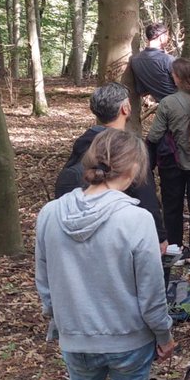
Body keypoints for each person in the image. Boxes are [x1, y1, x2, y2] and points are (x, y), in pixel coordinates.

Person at [36, 128, 175, 380]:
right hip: (128, 340)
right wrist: (163, 333)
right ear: (133, 170)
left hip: (76, 337)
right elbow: (151, 291)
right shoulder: (137, 220)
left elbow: (45, 283)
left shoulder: (50, 214)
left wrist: (57, 320)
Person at [55, 82, 166, 254]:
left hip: (74, 237)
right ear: (125, 108)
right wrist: (159, 236)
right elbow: (146, 194)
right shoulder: (128, 151)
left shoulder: (83, 143)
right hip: (119, 238)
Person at [146, 58, 190, 270]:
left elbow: (154, 135)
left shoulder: (168, 103)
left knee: (172, 207)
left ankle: (174, 249)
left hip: (173, 164)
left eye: (173, 74)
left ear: (178, 78)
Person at [129, 22, 176, 101]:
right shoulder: (168, 60)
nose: (168, 38)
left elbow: (142, 91)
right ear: (161, 37)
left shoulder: (135, 61)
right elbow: (185, 86)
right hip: (178, 104)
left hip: (162, 107)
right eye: (167, 35)